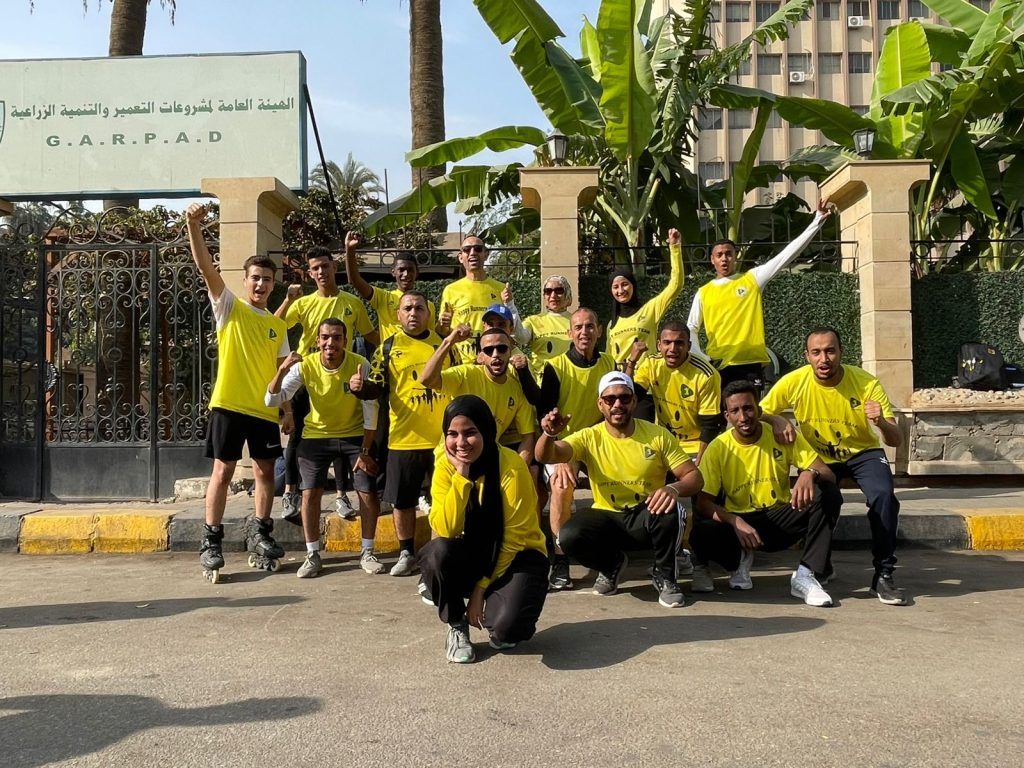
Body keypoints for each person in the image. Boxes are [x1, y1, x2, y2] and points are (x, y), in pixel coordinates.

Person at [760, 326, 907, 605]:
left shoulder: (865, 383)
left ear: (841, 352)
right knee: (820, 498)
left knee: (883, 496)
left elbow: (895, 439)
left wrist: (880, 422)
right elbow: (758, 411)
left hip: (863, 453)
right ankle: (820, 566)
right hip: (820, 458)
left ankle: (884, 575)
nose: (823, 359)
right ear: (807, 356)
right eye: (816, 352)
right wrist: (776, 419)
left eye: (830, 351)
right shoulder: (795, 381)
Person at [535, 372, 703, 608]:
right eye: (610, 399)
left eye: (624, 398)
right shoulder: (589, 436)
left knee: (671, 509)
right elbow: (546, 455)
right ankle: (611, 565)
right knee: (568, 536)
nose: (617, 404)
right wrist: (549, 434)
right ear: (600, 404)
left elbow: (694, 477)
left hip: (646, 515)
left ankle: (666, 576)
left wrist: (673, 488)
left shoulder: (657, 435)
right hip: (608, 518)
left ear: (634, 402)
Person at [185, 203, 289, 581]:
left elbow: (283, 373)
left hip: (263, 410)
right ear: (245, 281)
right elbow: (205, 267)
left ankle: (261, 533)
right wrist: (193, 225)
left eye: (266, 279)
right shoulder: (229, 307)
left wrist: (288, 411)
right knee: (223, 471)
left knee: (265, 472)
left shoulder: (278, 327)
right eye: (255, 278)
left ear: (273, 284)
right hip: (228, 405)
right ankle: (211, 540)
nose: (260, 284)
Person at [420, 395, 549, 663]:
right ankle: (456, 624)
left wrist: (479, 591)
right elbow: (446, 528)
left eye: (470, 433)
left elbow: (513, 538)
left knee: (506, 631)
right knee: (436, 553)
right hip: (473, 550)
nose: (460, 442)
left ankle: (499, 607)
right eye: (452, 434)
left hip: (516, 556)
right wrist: (461, 475)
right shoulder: (445, 465)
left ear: (487, 431)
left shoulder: (512, 466)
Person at [692, 381, 841, 606]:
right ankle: (737, 561)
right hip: (741, 525)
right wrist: (734, 521)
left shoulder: (782, 435)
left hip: (779, 520)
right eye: (735, 411)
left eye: (748, 408)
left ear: (759, 410)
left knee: (828, 493)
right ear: (727, 416)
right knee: (701, 531)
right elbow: (703, 503)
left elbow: (828, 474)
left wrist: (809, 473)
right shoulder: (718, 447)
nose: (743, 417)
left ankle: (806, 574)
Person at [265, 319, 382, 578]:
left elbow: (371, 410)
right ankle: (312, 554)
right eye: (325, 337)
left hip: (354, 436)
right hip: (316, 436)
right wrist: (282, 369)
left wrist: (365, 451)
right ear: (317, 341)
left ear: (345, 340)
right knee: (310, 493)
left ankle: (367, 551)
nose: (331, 343)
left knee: (367, 491)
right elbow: (271, 399)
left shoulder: (360, 364)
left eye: (337, 337)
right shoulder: (305, 365)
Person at [275, 245, 378, 523]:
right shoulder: (303, 303)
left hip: (342, 377)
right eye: (315, 268)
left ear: (334, 267)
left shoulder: (352, 303)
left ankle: (342, 495)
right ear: (310, 273)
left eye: (325, 266)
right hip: (307, 376)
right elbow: (272, 326)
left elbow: (372, 335)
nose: (321, 272)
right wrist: (287, 299)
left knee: (342, 436)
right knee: (297, 435)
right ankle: (290, 491)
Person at [517, 307, 617, 591]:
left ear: (599, 331)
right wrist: (558, 456)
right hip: (567, 442)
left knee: (618, 483)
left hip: (599, 440)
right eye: (579, 327)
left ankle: (610, 557)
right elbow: (545, 413)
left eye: (590, 326)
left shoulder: (609, 363)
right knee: (560, 486)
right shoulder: (556, 366)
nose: (585, 332)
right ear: (570, 333)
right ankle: (560, 560)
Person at [687, 198, 832, 390]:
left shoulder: (752, 279)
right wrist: (703, 358)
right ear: (712, 260)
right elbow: (691, 328)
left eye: (729, 254)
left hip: (751, 365)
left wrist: (817, 220)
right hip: (719, 366)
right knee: (724, 409)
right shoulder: (703, 292)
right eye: (719, 255)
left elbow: (786, 255)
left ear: (735, 256)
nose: (724, 259)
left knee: (751, 409)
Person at [359, 291, 451, 577]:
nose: (413, 313)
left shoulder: (444, 345)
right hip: (403, 439)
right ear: (398, 315)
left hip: (442, 441)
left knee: (443, 500)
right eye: (408, 308)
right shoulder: (387, 347)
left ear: (428, 314)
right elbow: (375, 387)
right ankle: (407, 553)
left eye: (419, 308)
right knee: (403, 501)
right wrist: (358, 388)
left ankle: (440, 554)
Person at [629, 321, 722, 576]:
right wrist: (632, 361)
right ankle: (674, 553)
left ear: (689, 346)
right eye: (667, 343)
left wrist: (699, 466)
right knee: (649, 486)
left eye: (679, 343)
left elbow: (710, 427)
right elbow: (630, 396)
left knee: (700, 494)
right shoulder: (650, 364)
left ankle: (700, 560)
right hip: (667, 444)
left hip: (697, 445)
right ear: (658, 345)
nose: (673, 349)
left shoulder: (706, 374)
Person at [422, 325, 536, 466]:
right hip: (449, 461)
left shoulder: (517, 389)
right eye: (488, 350)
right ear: (481, 356)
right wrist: (449, 342)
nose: (495, 354)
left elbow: (528, 437)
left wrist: (518, 470)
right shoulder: (465, 374)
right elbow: (426, 380)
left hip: (484, 465)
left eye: (502, 348)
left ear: (510, 352)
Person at [606, 228, 685, 365]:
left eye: (625, 284)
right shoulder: (612, 324)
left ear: (633, 286)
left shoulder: (650, 310)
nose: (621, 290)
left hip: (647, 375)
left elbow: (676, 285)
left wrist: (675, 247)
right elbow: (608, 358)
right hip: (621, 377)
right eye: (615, 287)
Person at [342, 230, 436, 341]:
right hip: (390, 352)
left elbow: (430, 337)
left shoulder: (428, 306)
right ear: (393, 272)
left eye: (410, 270)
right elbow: (355, 281)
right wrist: (350, 250)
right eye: (401, 270)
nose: (406, 274)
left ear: (417, 273)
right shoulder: (383, 298)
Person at [437, 235, 506, 364]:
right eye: (467, 249)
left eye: (478, 249)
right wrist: (442, 325)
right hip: (462, 363)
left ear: (486, 254)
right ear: (460, 257)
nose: (472, 253)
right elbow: (442, 332)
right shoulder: (450, 290)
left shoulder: (501, 289)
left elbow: (510, 328)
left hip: (493, 362)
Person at [505, 275, 573, 380]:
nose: (553, 295)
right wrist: (510, 304)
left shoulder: (577, 321)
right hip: (542, 380)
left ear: (568, 296)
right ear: (544, 296)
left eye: (559, 291)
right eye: (548, 291)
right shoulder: (534, 320)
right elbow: (520, 337)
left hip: (571, 379)